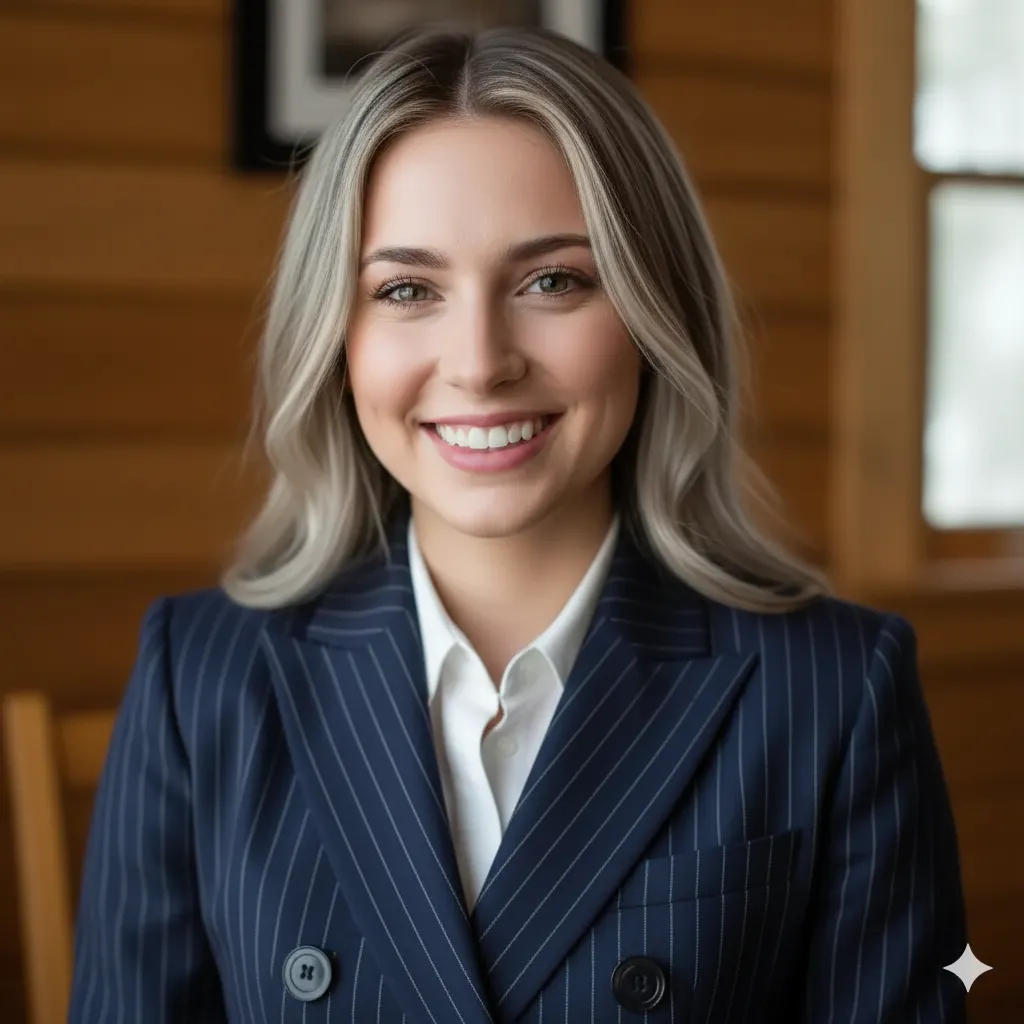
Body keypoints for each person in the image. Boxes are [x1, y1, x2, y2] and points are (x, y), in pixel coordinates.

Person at [69, 25, 968, 1023]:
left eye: (553, 281)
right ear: (336, 336)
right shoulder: (198, 678)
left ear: (654, 313)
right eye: (406, 289)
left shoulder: (837, 688)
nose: (480, 362)